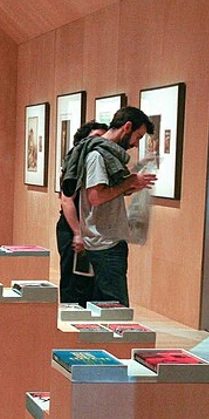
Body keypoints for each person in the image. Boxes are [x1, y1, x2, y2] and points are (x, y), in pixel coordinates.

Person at [60, 107, 157, 306]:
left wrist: (131, 184)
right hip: (105, 243)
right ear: (127, 127)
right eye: (137, 137)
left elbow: (108, 191)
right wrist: (129, 183)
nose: (136, 144)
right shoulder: (98, 156)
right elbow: (96, 196)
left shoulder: (107, 155)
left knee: (105, 308)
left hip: (106, 240)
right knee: (115, 309)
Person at [55, 121, 108, 304]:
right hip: (73, 229)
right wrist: (78, 233)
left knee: (93, 284)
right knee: (74, 282)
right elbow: (66, 200)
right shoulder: (75, 164)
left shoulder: (101, 165)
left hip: (93, 231)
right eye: (95, 138)